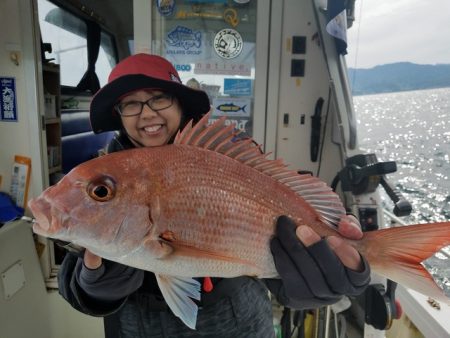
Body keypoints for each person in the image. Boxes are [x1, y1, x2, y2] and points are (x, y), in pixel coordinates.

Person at [58, 53, 370, 338]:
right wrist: (94, 286)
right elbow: (72, 278)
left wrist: (307, 282)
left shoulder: (230, 160)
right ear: (119, 115)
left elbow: (267, 256)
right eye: (130, 104)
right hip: (137, 325)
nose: (147, 113)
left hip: (237, 320)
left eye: (159, 98)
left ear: (179, 103)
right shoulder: (100, 182)